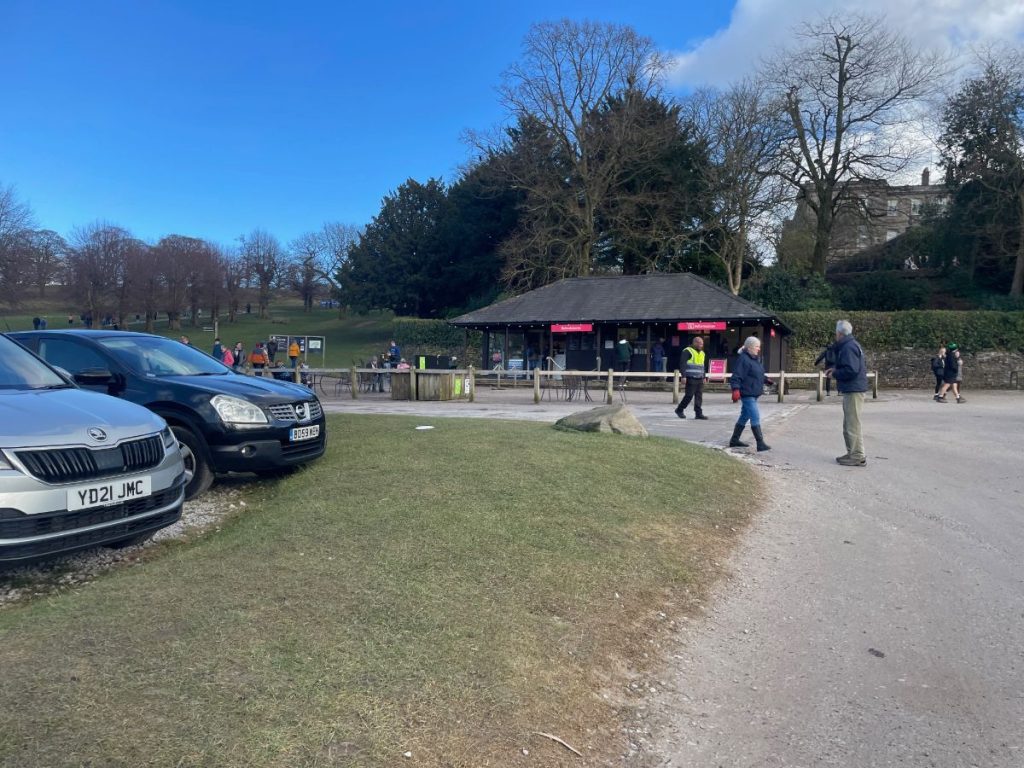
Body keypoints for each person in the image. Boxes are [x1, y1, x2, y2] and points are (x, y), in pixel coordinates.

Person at [826, 319, 868, 466]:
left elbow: (851, 369)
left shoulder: (848, 347)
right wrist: (836, 370)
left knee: (852, 423)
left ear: (839, 333)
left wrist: (835, 373)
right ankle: (853, 453)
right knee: (850, 422)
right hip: (854, 388)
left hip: (853, 388)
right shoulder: (851, 345)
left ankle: (856, 455)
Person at [728, 336, 772, 451]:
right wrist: (735, 390)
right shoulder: (743, 359)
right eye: (757, 347)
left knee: (744, 416)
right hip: (747, 393)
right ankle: (760, 443)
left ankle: (734, 440)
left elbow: (757, 373)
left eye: (759, 347)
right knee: (755, 416)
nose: (758, 349)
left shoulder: (754, 359)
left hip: (753, 392)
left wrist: (766, 379)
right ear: (750, 347)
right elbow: (736, 376)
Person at [674, 336, 708, 419]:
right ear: (695, 343)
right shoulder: (687, 351)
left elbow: (703, 366)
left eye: (702, 344)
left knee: (699, 396)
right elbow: (682, 364)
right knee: (689, 395)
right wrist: (683, 376)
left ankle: (698, 413)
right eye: (700, 344)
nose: (701, 345)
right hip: (690, 377)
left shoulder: (702, 353)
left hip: (700, 377)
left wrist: (704, 376)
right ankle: (679, 409)